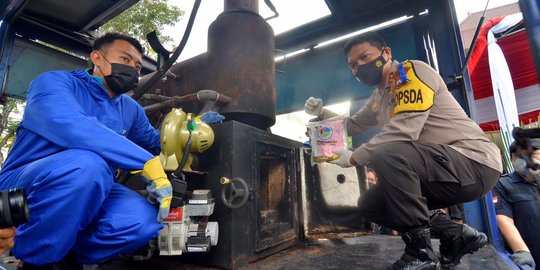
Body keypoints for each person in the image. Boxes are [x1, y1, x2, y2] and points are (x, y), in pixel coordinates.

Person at [304, 31, 502, 270]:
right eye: (353, 65)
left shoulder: (409, 72)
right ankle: (457, 234)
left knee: (388, 151)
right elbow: (353, 124)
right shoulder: (380, 96)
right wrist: (321, 115)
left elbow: (403, 131)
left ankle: (420, 254)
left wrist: (354, 157)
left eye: (365, 57)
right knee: (370, 203)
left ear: (386, 53)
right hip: (440, 171)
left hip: (474, 163)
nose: (359, 68)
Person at [0, 33, 172, 268]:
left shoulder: (130, 109)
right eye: (125, 58)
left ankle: (67, 254)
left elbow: (158, 142)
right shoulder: (54, 83)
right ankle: (33, 258)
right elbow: (70, 124)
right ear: (97, 58)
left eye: (138, 65)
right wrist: (144, 162)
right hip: (23, 185)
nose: (132, 68)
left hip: (92, 186)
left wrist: (195, 129)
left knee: (141, 221)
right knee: (90, 164)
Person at [492, 140, 540, 269]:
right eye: (519, 156)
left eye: (533, 153)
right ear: (511, 159)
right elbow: (503, 219)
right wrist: (521, 250)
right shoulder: (502, 184)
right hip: (533, 259)